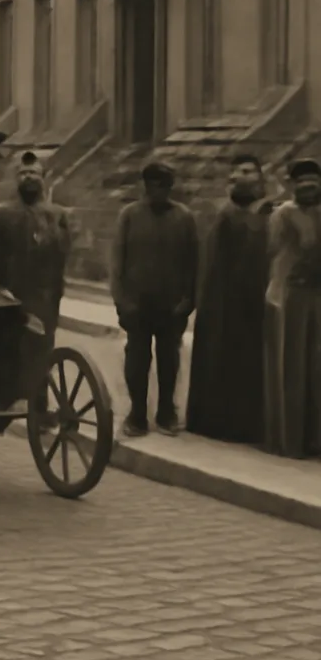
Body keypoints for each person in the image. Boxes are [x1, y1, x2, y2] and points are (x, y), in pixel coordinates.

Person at [186, 155, 273, 444]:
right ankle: (219, 424)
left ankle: (249, 425)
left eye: (247, 171)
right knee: (222, 365)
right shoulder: (225, 215)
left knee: (252, 367)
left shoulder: (268, 214)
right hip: (226, 307)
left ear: (260, 179)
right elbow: (213, 268)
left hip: (258, 304)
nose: (239, 176)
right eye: (235, 172)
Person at [110, 162, 199, 438]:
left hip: (171, 306)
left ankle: (166, 412)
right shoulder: (129, 215)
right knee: (136, 357)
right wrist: (122, 301)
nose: (157, 189)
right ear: (145, 185)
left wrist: (188, 300)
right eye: (152, 183)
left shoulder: (184, 218)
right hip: (137, 304)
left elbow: (194, 263)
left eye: (163, 184)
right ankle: (137, 414)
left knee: (169, 358)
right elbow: (117, 262)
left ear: (171, 186)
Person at [0, 151, 70, 418]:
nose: (28, 177)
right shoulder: (3, 215)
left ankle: (40, 407)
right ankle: (7, 399)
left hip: (45, 296)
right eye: (23, 173)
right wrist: (0, 290)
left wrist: (55, 292)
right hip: (13, 295)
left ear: (43, 178)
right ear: (16, 179)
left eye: (33, 172)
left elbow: (62, 256)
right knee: (12, 348)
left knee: (43, 353)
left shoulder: (56, 215)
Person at [263, 158, 321, 459]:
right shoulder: (283, 214)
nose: (309, 188)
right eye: (303, 182)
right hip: (288, 295)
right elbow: (274, 250)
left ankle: (315, 439)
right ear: (293, 185)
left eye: (314, 182)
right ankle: (290, 440)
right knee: (291, 365)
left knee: (316, 365)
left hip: (316, 294)